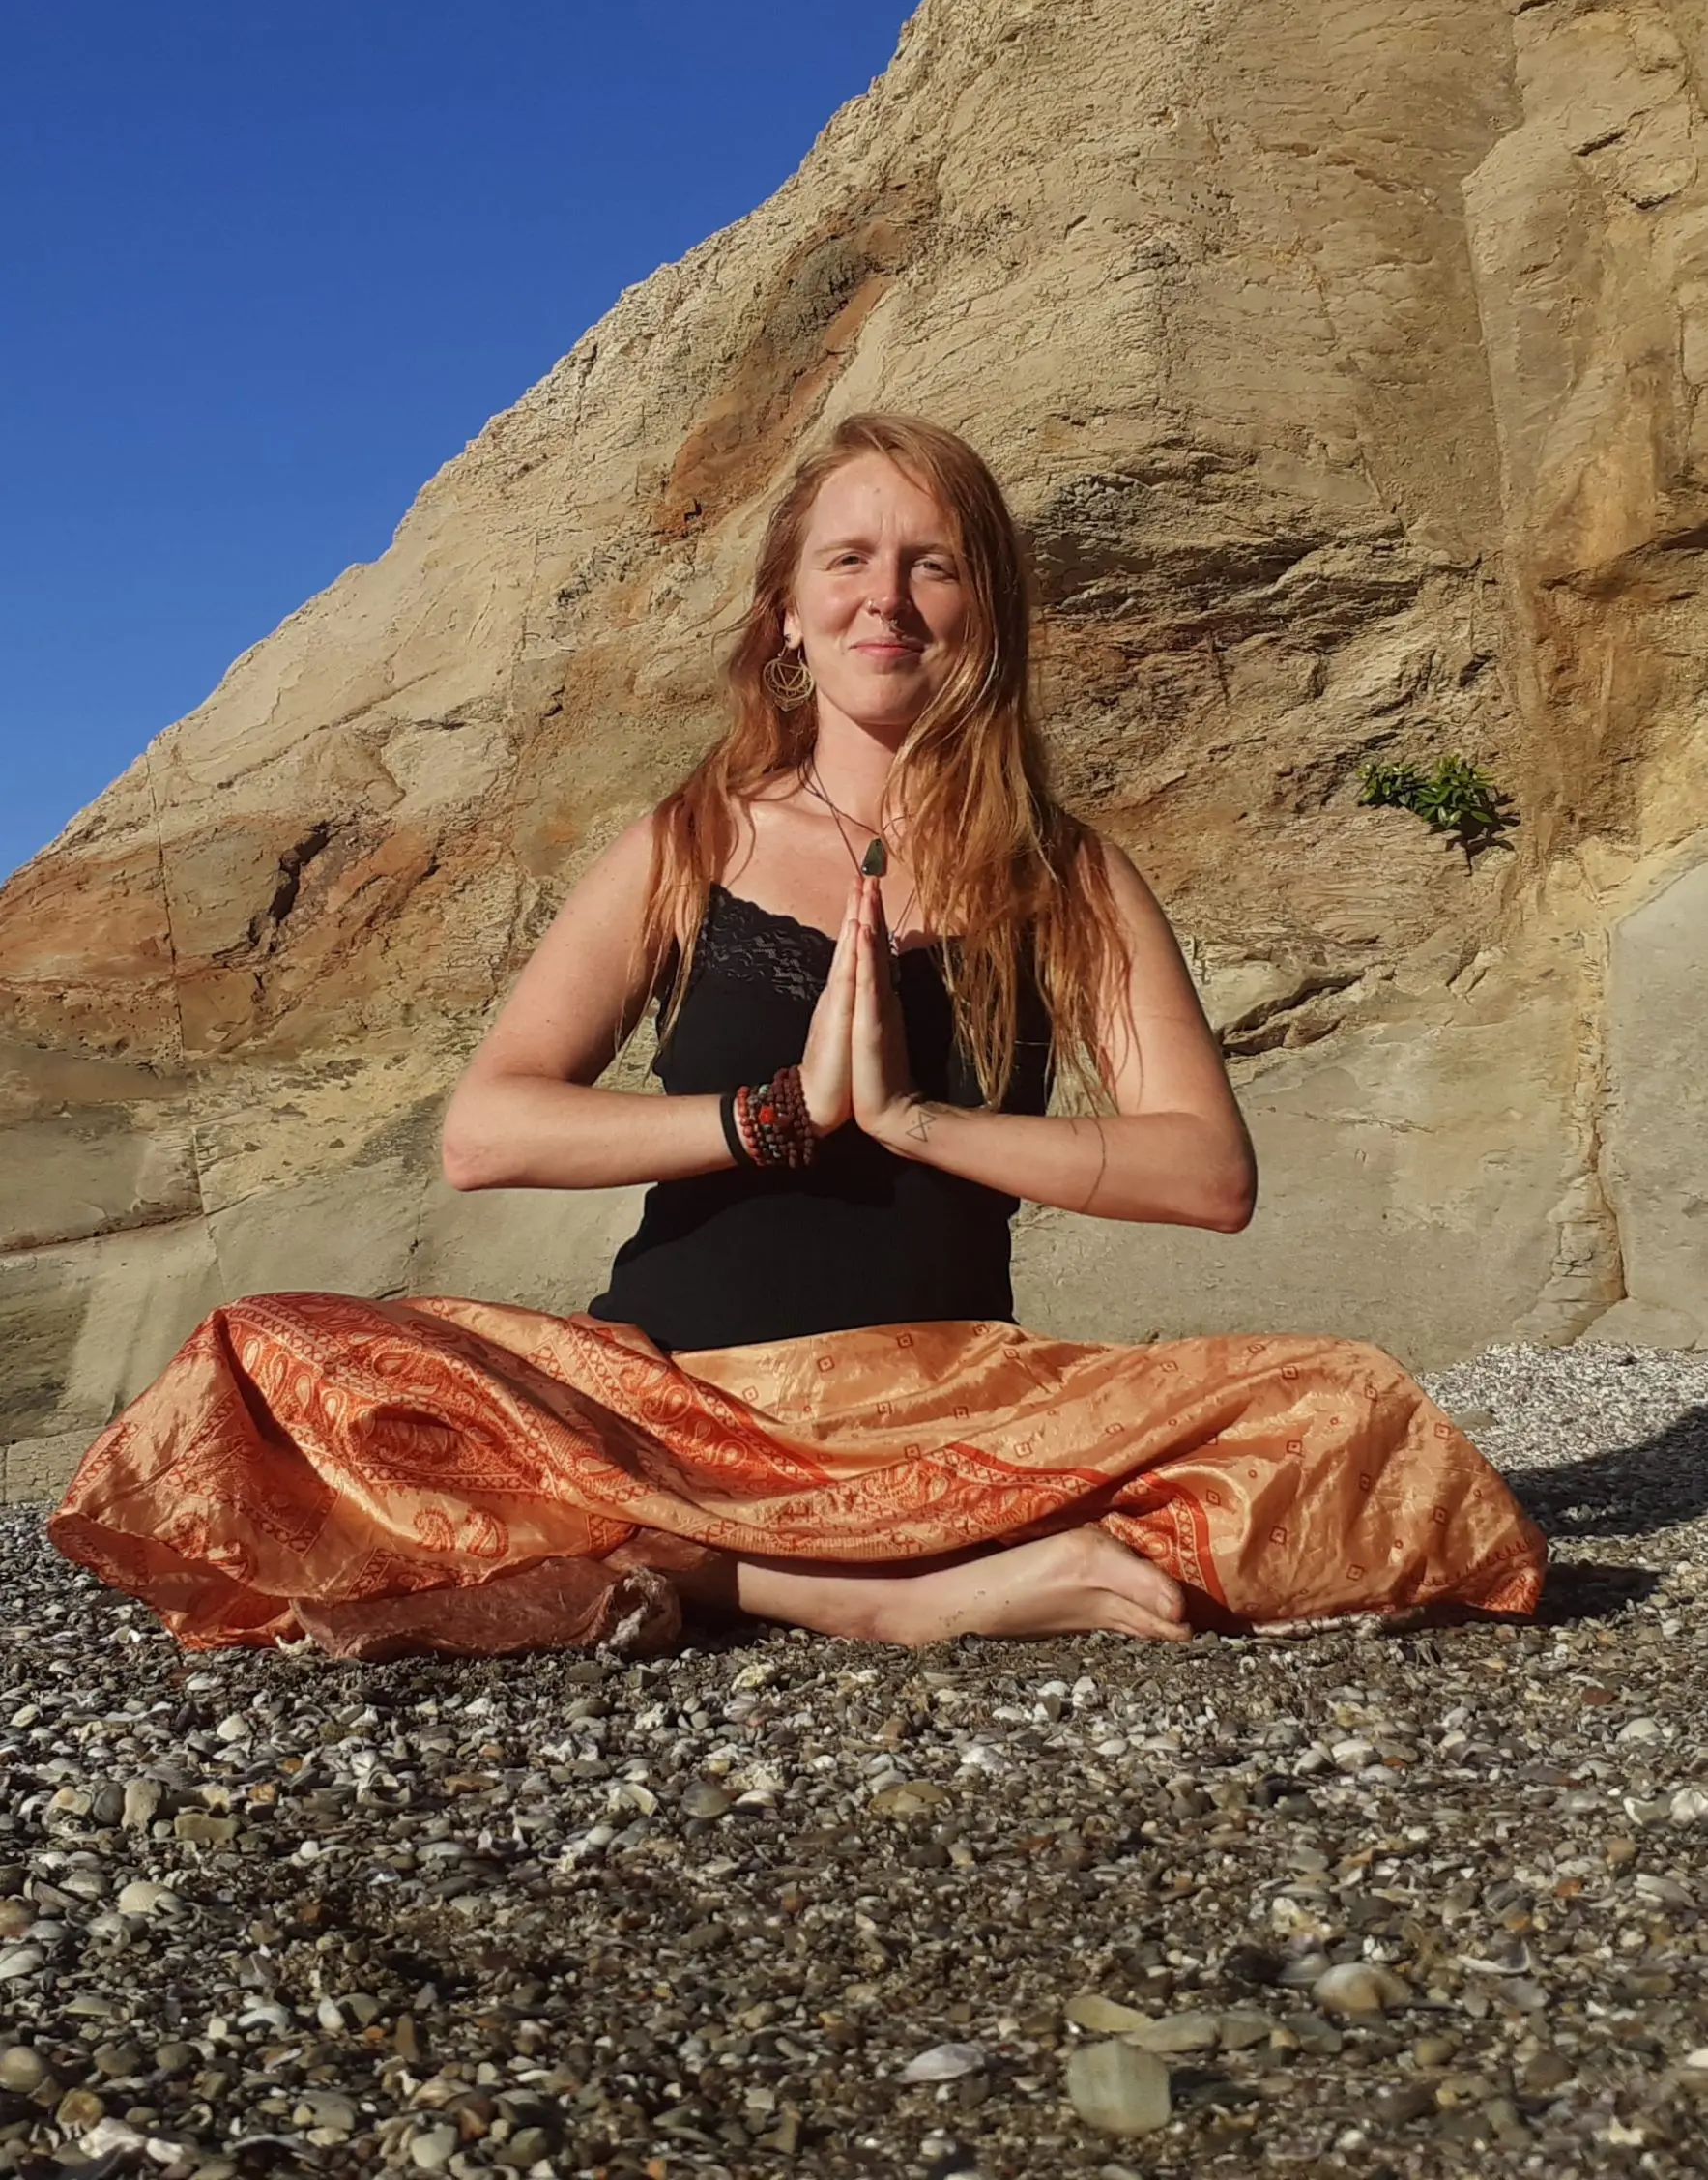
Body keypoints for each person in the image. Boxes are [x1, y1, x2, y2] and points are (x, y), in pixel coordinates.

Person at [47, 416, 1545, 1659]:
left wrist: (918, 1125)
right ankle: (864, 1596)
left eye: (931, 565)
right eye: (847, 560)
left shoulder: (1065, 874)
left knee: (1344, 1404)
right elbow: (488, 1128)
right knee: (268, 1357)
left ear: (983, 613)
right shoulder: (684, 844)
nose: (884, 598)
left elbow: (1202, 1172)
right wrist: (775, 1115)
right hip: (673, 1399)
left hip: (951, 1402)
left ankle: (701, 1570)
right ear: (785, 613)